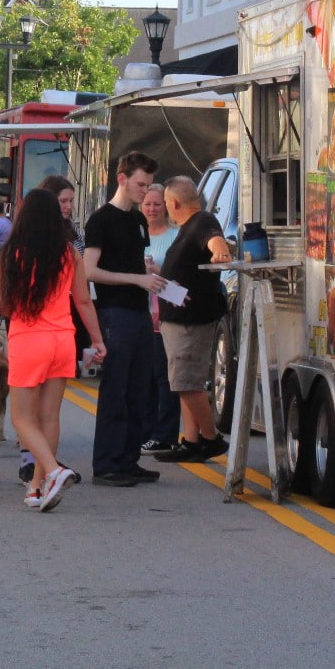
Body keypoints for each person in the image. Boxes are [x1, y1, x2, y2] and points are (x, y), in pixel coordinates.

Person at [0, 189, 106, 511]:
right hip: (63, 340)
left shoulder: (12, 252)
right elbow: (83, 300)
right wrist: (97, 340)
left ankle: (55, 472)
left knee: (21, 418)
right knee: (49, 418)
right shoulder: (69, 252)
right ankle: (37, 487)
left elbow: (1, 303)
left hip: (29, 339)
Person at [84, 151, 165, 487]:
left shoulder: (137, 221)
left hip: (139, 311)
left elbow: (131, 262)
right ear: (122, 179)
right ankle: (107, 463)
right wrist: (137, 279)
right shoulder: (102, 219)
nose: (145, 192)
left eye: (148, 186)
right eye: (140, 184)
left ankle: (128, 458)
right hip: (115, 312)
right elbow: (89, 270)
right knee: (116, 388)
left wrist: (147, 272)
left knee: (139, 388)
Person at [154, 177, 231, 464]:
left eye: (164, 204)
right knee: (183, 381)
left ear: (174, 203)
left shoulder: (202, 221)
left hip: (190, 321)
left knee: (187, 382)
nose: (165, 209)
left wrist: (220, 251)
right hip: (177, 317)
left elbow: (215, 240)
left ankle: (211, 438)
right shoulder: (186, 227)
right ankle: (191, 440)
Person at [140, 184, 181, 454]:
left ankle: (165, 434)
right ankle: (146, 431)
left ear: (166, 206)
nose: (152, 209)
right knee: (145, 377)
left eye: (157, 204)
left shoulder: (176, 236)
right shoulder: (136, 235)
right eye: (147, 204)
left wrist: (159, 270)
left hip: (166, 313)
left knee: (165, 377)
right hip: (138, 313)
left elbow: (183, 276)